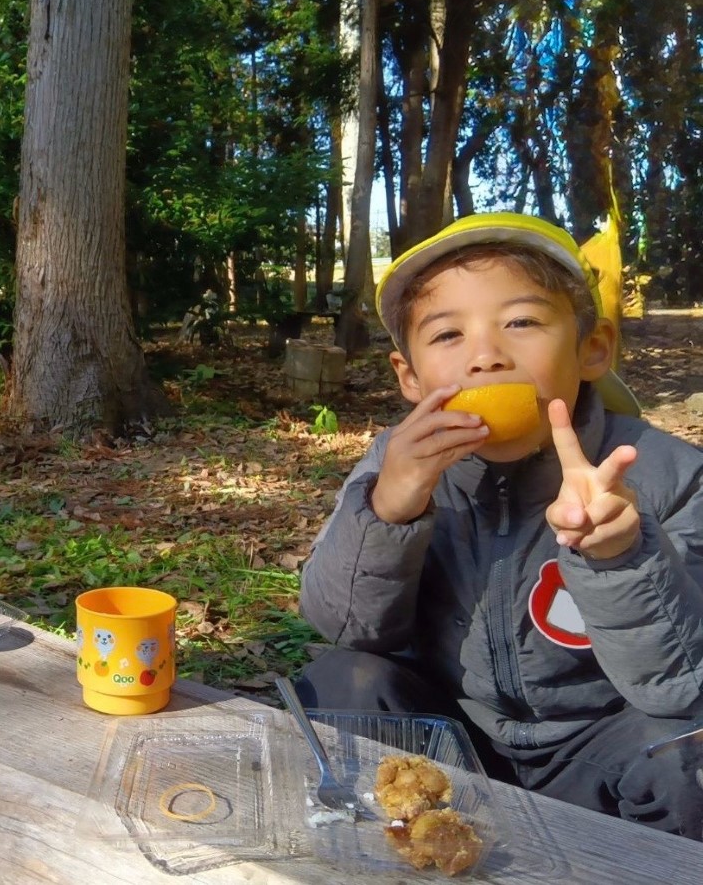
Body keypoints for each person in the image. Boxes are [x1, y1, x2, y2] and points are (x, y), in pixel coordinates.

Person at [295, 212, 703, 839]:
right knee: (342, 677)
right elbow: (347, 628)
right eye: (448, 335)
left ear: (592, 348)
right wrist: (389, 511)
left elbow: (676, 688)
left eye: (521, 322)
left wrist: (622, 556)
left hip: (596, 750)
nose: (486, 356)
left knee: (688, 753)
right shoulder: (394, 464)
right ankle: (395, 847)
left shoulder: (666, 476)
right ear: (410, 377)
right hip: (449, 739)